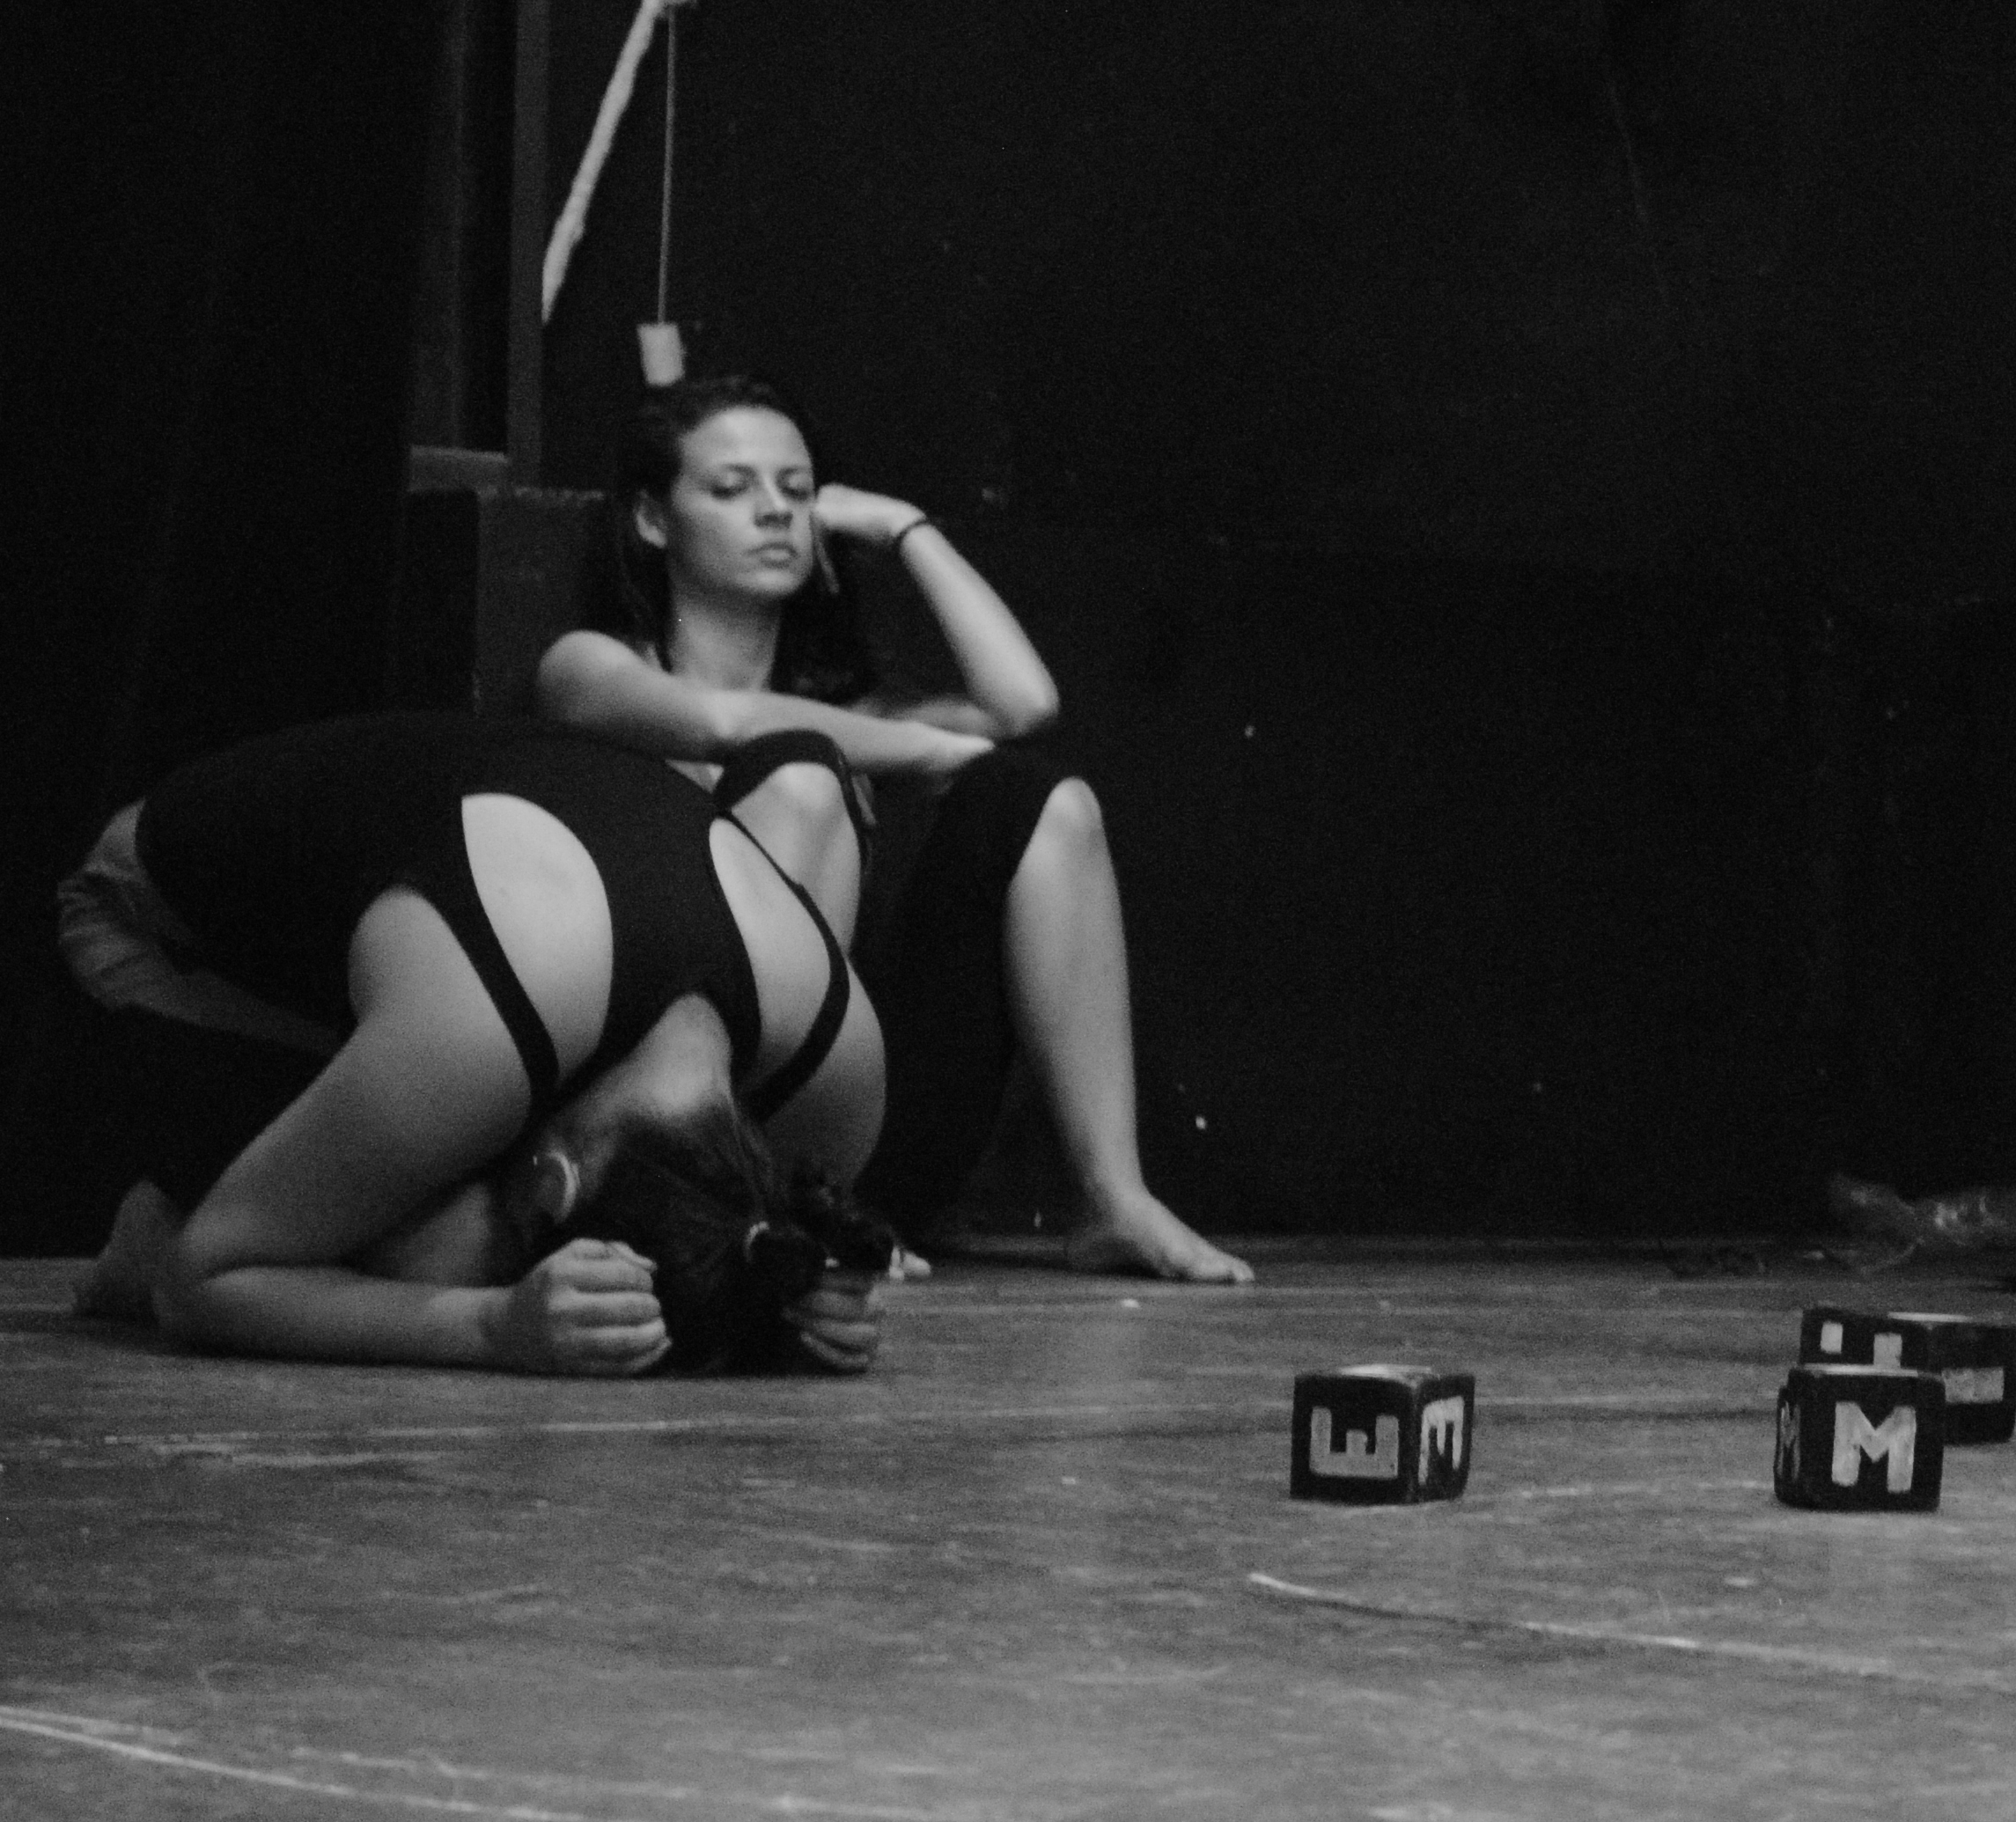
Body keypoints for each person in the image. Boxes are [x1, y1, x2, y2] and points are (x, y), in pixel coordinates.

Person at [536, 377, 1251, 1282]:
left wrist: (905, 527)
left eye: (797, 491)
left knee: (1040, 800)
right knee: (799, 777)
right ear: (650, 519)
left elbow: (1023, 705)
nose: (775, 512)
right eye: (732, 488)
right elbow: (722, 723)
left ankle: (1113, 1198)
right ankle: (755, 1204)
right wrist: (926, 750)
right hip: (670, 1144)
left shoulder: (858, 720)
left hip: (852, 1143)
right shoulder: (587, 667)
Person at [59, 711, 887, 1373]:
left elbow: (745, 1242)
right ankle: (168, 1216)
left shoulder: (836, 1074)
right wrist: (492, 1325)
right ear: (552, 1178)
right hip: (151, 921)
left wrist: (788, 1296)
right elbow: (201, 1283)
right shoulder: (479, 1039)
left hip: (455, 941)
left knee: (444, 1197)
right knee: (455, 1251)